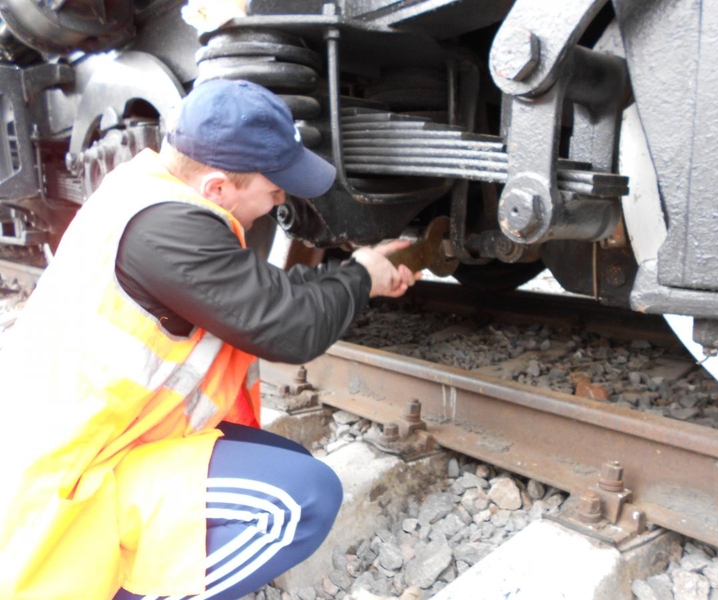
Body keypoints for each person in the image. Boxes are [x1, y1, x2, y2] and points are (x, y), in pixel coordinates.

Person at [0, 78, 420, 600]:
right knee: (300, 499)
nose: (279, 200)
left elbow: (262, 292)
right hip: (72, 480)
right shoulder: (166, 233)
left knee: (292, 465)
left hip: (117, 436)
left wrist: (361, 271)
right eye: (273, 190)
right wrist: (361, 279)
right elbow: (290, 327)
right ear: (218, 187)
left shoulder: (150, 191)